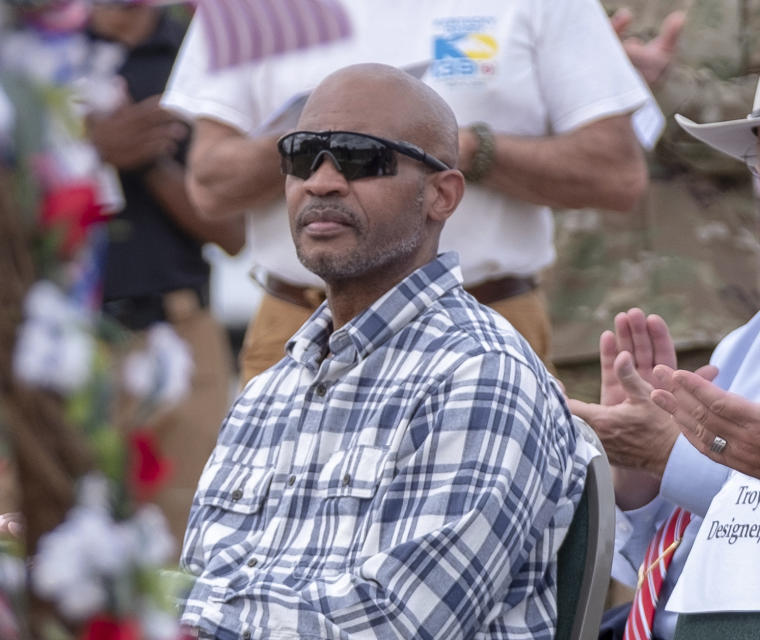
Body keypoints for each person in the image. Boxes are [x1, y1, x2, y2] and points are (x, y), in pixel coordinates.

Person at [179, 63, 592, 640]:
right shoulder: (269, 392)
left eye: (360, 158)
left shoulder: (480, 373)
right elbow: (200, 582)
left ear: (442, 195)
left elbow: (398, 625)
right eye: (302, 156)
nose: (321, 182)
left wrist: (184, 619)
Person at [161, 0, 651, 385]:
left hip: (490, 327)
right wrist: (335, 143)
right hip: (299, 329)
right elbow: (209, 184)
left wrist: (462, 149)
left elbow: (617, 172)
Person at [567, 78, 760, 639]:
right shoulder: (745, 342)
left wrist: (670, 456)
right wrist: (640, 481)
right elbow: (688, 554)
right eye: (759, 158)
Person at [84, 3, 243, 546]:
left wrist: (147, 163)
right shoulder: (40, 53)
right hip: (63, 340)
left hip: (180, 337)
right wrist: (89, 151)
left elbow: (234, 233)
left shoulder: (199, 54)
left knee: (182, 553)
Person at [548, 1, 760, 368]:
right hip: (569, 323)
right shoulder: (538, 9)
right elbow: (479, 132)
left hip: (721, 316)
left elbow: (749, 134)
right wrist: (578, 84)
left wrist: (666, 82)